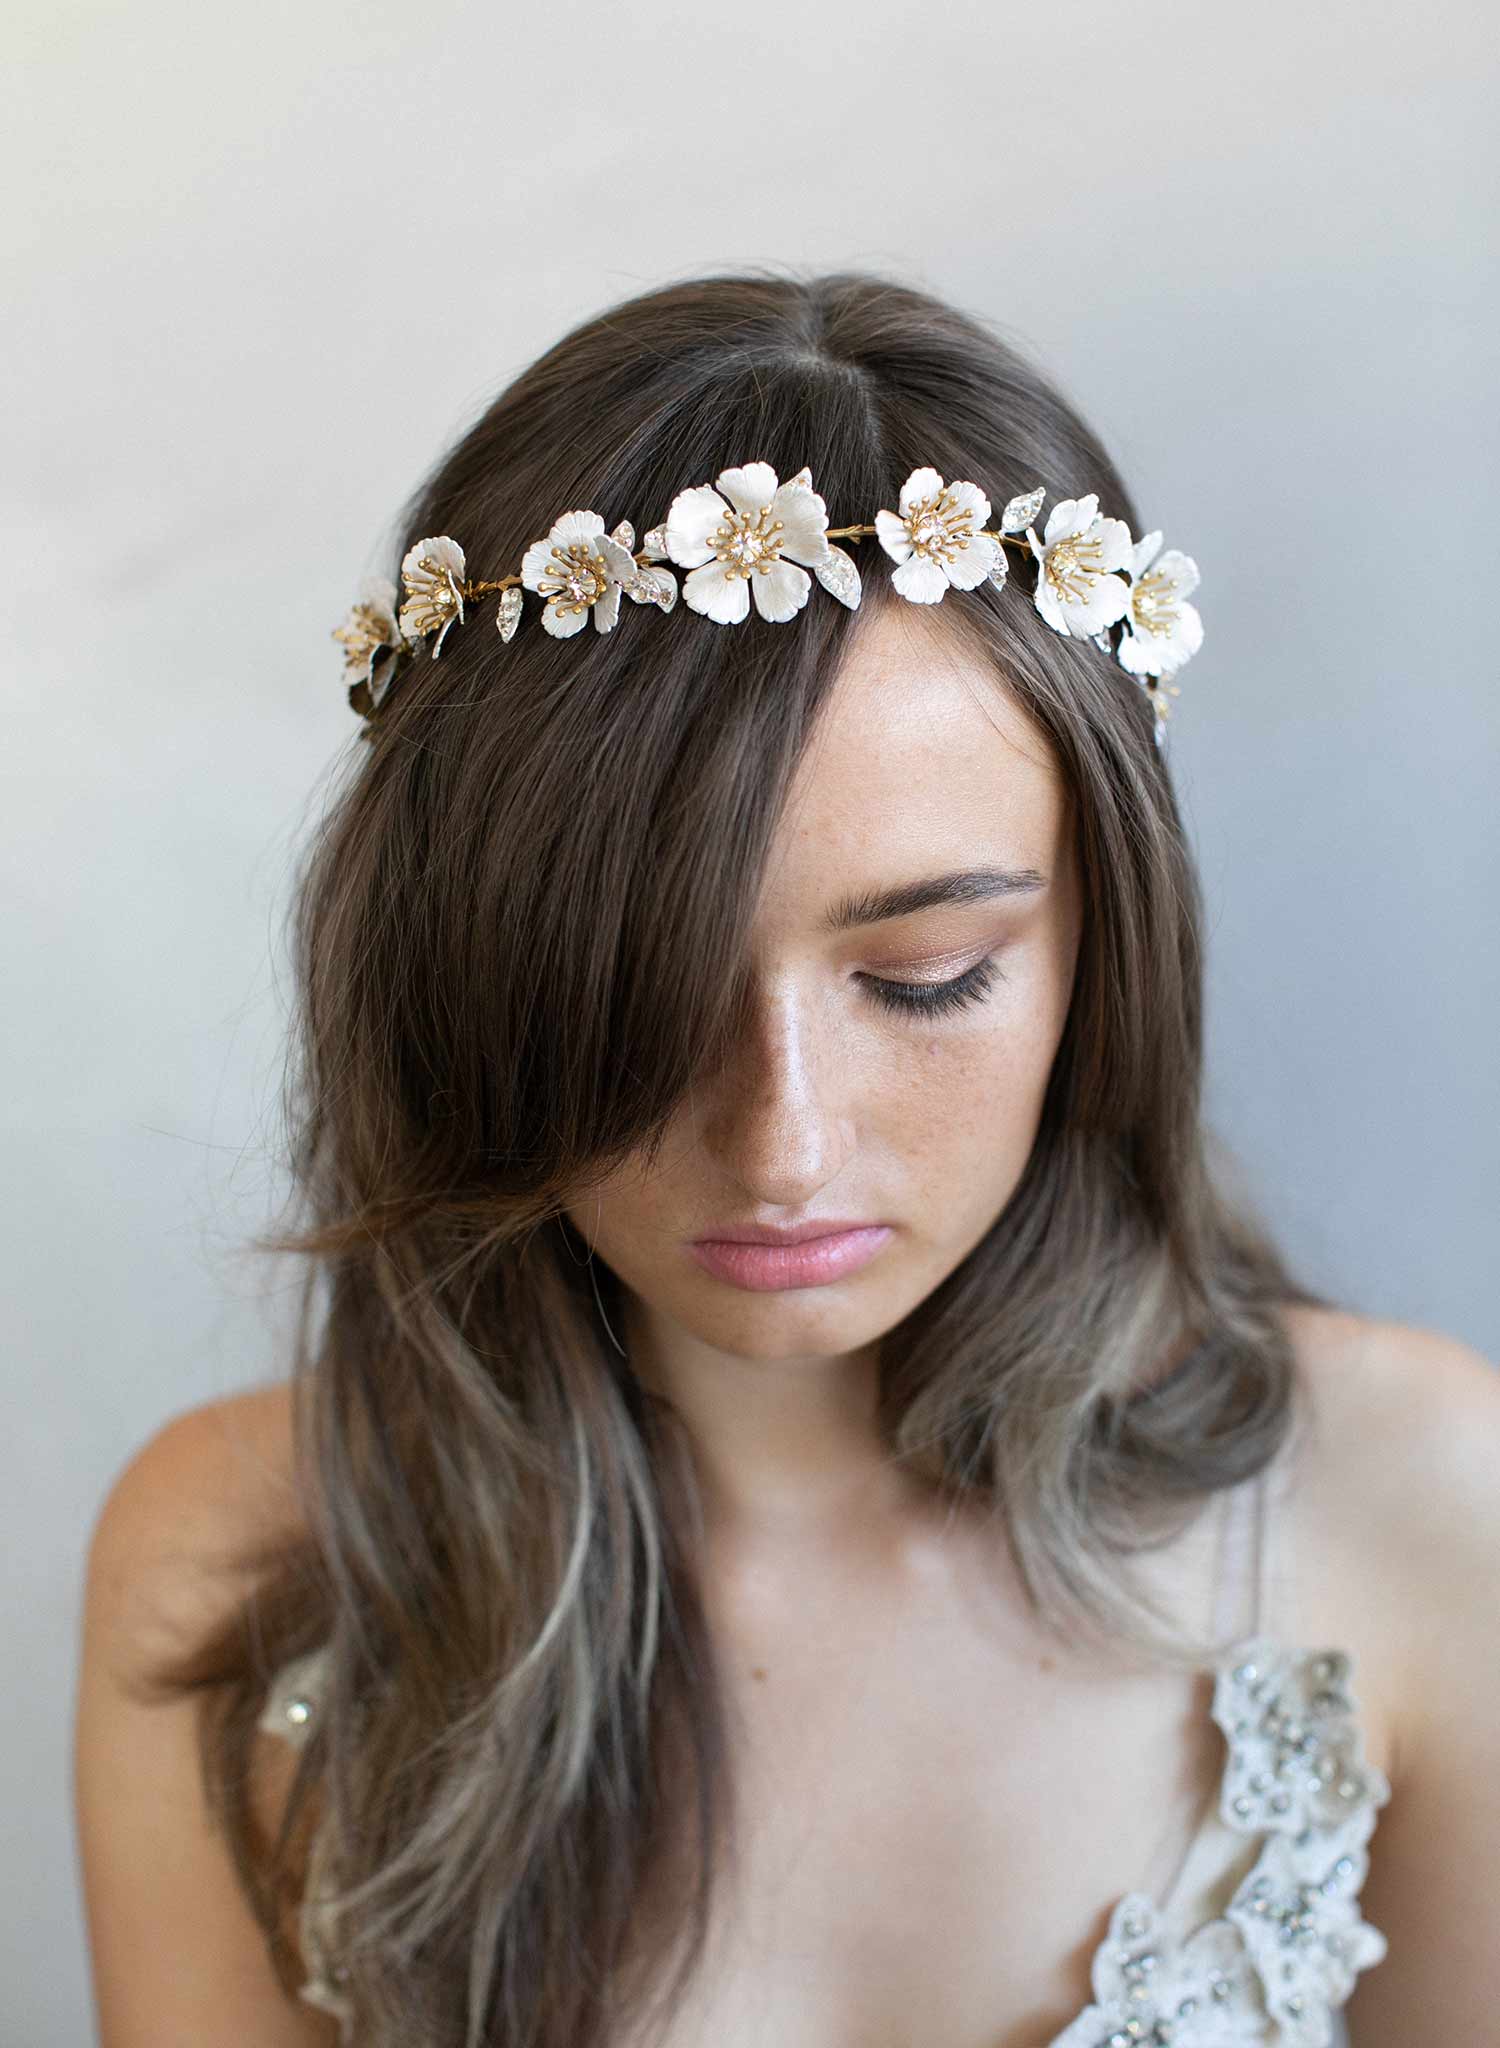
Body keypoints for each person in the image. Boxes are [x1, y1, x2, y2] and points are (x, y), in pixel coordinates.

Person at [74, 268, 1500, 2048]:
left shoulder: (1421, 1504)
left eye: (925, 979)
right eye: (636, 986)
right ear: (459, 975)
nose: (784, 1143)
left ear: (1101, 949)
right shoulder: (239, 1567)